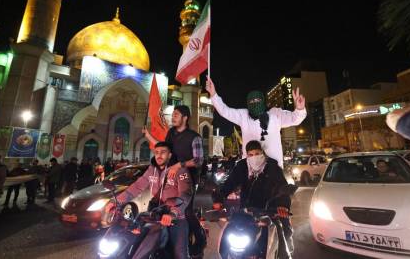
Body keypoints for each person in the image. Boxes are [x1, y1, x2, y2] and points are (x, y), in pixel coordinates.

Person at [105, 142, 192, 259]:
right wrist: (116, 201)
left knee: (179, 254)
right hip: (154, 214)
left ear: (170, 155)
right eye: (156, 152)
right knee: (137, 244)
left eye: (163, 152)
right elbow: (137, 187)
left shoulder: (180, 170)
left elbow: (185, 194)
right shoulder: (152, 169)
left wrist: (173, 212)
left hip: (176, 217)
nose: (159, 155)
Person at [143, 105, 206, 257]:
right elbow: (163, 147)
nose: (173, 117)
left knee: (186, 211)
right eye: (173, 115)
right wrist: (148, 135)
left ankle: (199, 239)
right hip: (170, 180)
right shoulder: (171, 133)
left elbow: (198, 160)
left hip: (188, 180)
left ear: (185, 118)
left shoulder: (194, 137)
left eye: (176, 115)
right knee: (160, 208)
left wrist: (179, 165)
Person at [212, 140, 295, 257]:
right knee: (229, 233)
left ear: (262, 153)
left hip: (269, 211)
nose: (254, 157)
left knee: (282, 234)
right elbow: (228, 184)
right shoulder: (241, 167)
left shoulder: (272, 168)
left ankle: (286, 253)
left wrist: (283, 206)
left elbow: (283, 189)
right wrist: (219, 199)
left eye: (257, 153)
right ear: (247, 155)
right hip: (246, 212)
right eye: (250, 155)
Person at [206, 77, 307, 169]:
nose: (255, 103)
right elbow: (225, 111)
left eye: (257, 100)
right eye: (252, 101)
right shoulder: (243, 116)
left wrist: (300, 108)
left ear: (263, 101)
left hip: (273, 170)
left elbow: (295, 119)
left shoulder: (275, 114)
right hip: (250, 169)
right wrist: (214, 95)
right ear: (248, 103)